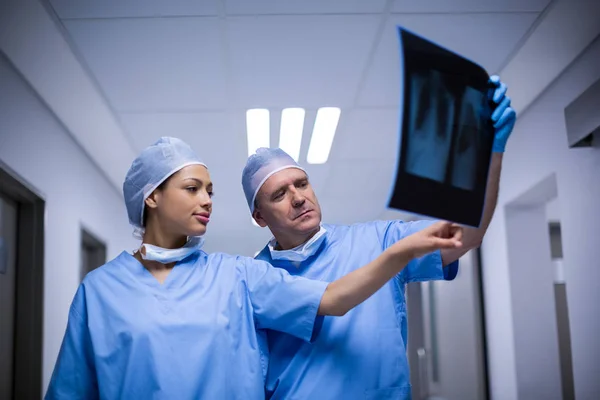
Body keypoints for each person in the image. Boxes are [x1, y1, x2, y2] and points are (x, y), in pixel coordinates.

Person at [45, 137, 464, 399]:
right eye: (193, 189)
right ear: (150, 197)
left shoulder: (237, 275)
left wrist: (401, 251)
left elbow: (333, 297)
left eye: (210, 190)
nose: (207, 200)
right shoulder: (99, 291)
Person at [242, 76, 516, 399]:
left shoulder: (378, 240)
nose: (299, 197)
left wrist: (491, 153)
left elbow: (466, 235)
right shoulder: (252, 279)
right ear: (260, 216)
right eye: (279, 195)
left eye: (301, 184)